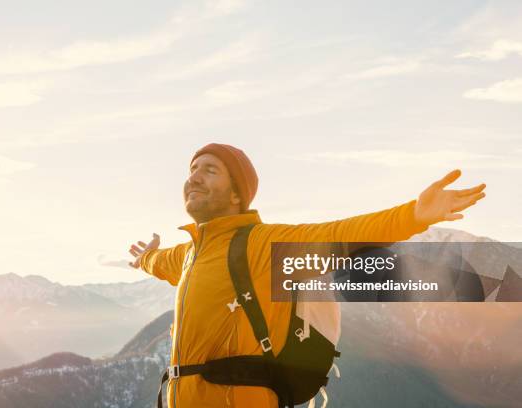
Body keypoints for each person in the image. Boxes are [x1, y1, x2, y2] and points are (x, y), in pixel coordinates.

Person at [128, 143, 486, 408]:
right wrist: (146, 257)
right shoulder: (191, 253)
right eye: (192, 169)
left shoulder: (262, 246)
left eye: (209, 170)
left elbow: (342, 234)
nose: (194, 176)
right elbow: (159, 262)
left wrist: (415, 215)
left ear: (237, 194)